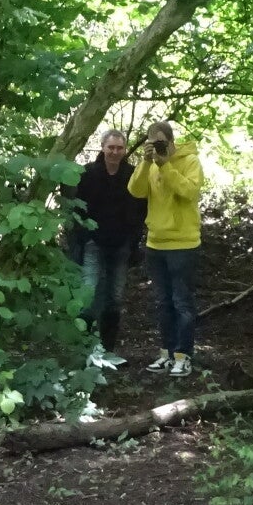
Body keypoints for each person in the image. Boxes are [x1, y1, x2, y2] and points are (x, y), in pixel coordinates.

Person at [127, 120, 203, 377]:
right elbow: (135, 191)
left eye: (161, 143)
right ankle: (167, 353)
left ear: (171, 142)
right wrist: (146, 162)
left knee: (182, 302)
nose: (158, 147)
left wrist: (165, 166)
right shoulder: (149, 164)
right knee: (162, 302)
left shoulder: (190, 161)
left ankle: (183, 355)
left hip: (183, 243)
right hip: (156, 243)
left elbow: (189, 191)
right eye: (152, 143)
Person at [66, 130, 146, 367]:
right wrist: (82, 237)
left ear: (124, 150)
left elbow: (140, 210)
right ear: (102, 147)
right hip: (93, 242)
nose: (115, 152)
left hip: (121, 244)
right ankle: (85, 350)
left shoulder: (132, 175)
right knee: (88, 294)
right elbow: (77, 208)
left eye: (119, 148)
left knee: (115, 297)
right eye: (111, 147)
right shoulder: (88, 174)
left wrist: (133, 240)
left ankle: (108, 351)